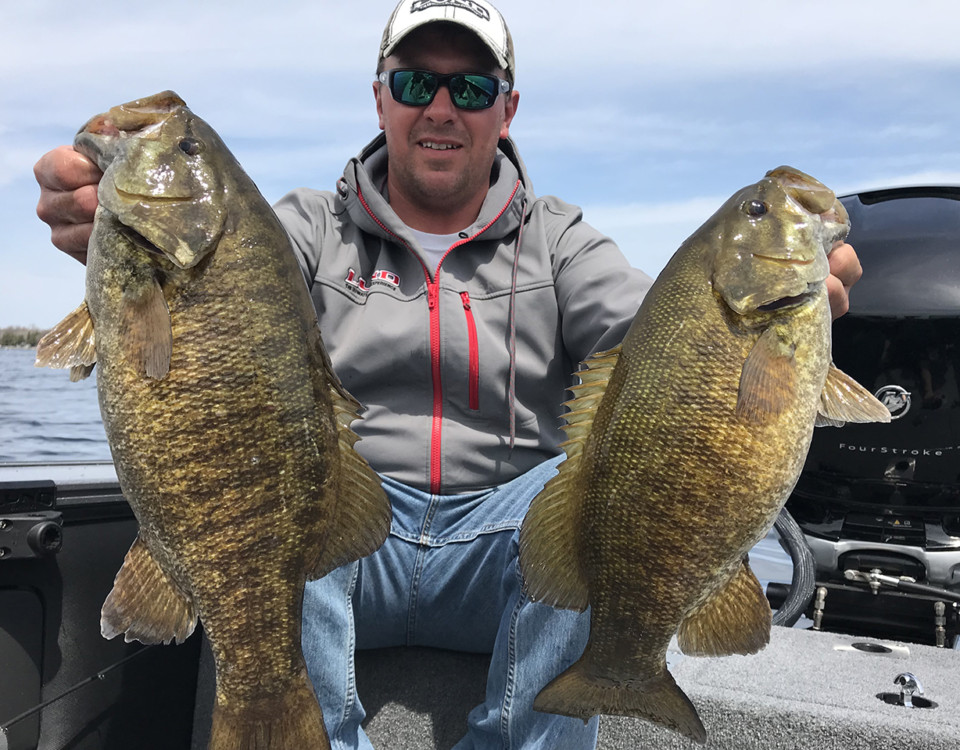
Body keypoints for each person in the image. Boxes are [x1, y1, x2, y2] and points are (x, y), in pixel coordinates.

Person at [33, 1, 863, 748]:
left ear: (506, 110)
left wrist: (754, 326)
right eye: (415, 82)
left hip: (501, 558)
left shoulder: (563, 242)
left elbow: (651, 338)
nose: (441, 107)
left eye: (470, 88)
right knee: (293, 494)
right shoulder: (302, 228)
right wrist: (99, 231)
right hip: (352, 547)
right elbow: (220, 301)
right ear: (381, 97)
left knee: (577, 499)